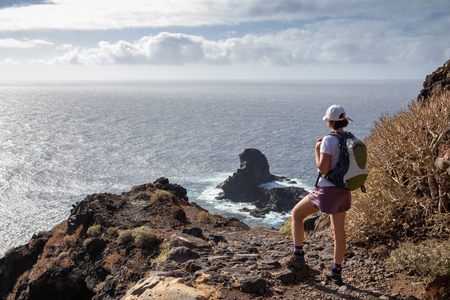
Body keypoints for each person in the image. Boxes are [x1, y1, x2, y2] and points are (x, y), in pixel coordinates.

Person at [287, 104, 353, 286]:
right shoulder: (350, 138)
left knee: (296, 214)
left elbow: (323, 168)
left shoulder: (328, 140)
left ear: (330, 122)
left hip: (328, 190)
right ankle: (336, 274)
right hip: (344, 190)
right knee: (339, 232)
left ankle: (298, 257)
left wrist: (317, 150)